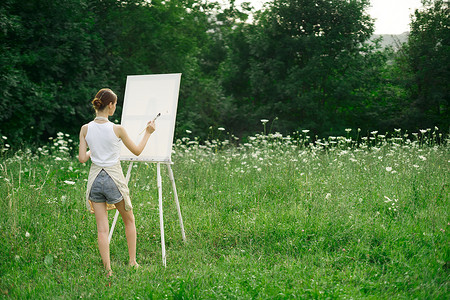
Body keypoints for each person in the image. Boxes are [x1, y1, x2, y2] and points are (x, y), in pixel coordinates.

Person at [78, 88, 155, 277]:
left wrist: (94, 150)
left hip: (95, 181)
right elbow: (137, 151)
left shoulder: (85, 128)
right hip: (113, 179)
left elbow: (82, 158)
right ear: (110, 105)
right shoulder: (117, 129)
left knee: (102, 229)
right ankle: (132, 262)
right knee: (129, 220)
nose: (115, 107)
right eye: (115, 104)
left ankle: (108, 270)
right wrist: (148, 132)